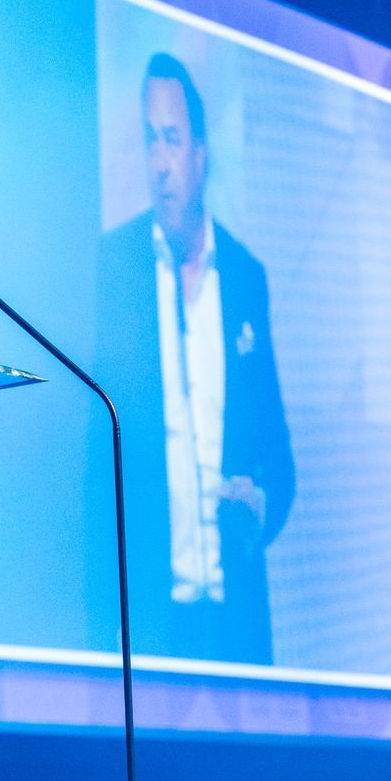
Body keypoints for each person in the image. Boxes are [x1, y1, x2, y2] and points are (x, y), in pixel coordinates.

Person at [93, 53, 295, 665]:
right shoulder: (116, 267)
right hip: (151, 628)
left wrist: (261, 505)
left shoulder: (245, 277)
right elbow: (93, 467)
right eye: (150, 140)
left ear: (200, 155)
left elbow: (279, 460)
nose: (160, 163)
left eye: (173, 141)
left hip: (238, 625)